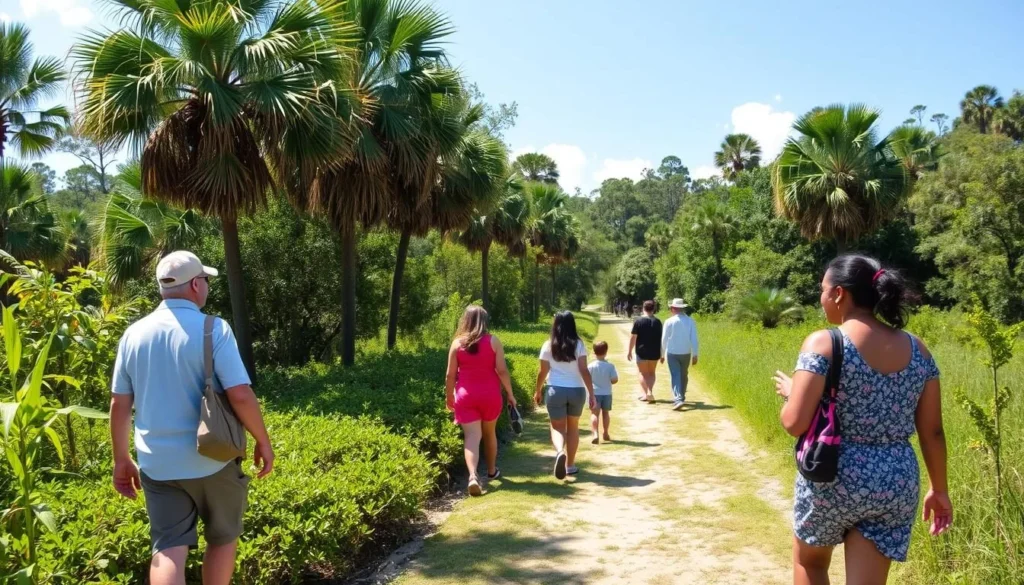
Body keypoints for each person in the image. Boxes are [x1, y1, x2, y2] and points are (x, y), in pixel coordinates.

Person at [772, 255, 952, 585]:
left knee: (810, 564)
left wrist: (794, 392)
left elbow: (794, 423)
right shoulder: (919, 349)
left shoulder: (824, 342)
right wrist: (939, 489)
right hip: (894, 482)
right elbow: (933, 431)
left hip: (832, 476)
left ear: (839, 294)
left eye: (822, 289)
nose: (821, 296)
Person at [110, 251, 274, 585]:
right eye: (206, 281)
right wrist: (263, 441)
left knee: (168, 548)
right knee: (223, 538)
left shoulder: (134, 334)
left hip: (158, 465)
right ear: (196, 284)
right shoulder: (214, 329)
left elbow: (120, 403)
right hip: (214, 459)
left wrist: (121, 459)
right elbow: (240, 394)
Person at [445, 305, 517, 496]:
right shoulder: (493, 341)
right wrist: (510, 394)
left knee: (471, 438)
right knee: (489, 433)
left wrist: (449, 396)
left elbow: (450, 375)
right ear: (484, 321)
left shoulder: (457, 343)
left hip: (465, 396)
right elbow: (502, 371)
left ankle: (473, 476)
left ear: (465, 320)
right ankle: (492, 471)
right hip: (490, 395)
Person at [534, 311, 596, 479]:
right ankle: (570, 465)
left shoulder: (548, 345)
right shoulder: (579, 345)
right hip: (576, 390)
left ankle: (560, 451)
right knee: (573, 427)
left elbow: (542, 372)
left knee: (557, 427)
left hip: (555, 390)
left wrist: (538, 390)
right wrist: (592, 394)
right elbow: (584, 370)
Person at [661, 298, 699, 411]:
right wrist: (695, 354)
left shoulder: (669, 321)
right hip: (686, 352)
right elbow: (694, 339)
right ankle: (681, 397)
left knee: (676, 375)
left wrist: (662, 354)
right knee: (683, 375)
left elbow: (664, 339)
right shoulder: (690, 321)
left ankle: (678, 399)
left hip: (672, 352)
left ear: (673, 308)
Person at [628, 300, 662, 403]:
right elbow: (661, 338)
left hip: (641, 351)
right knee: (651, 373)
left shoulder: (638, 321)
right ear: (653, 309)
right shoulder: (658, 322)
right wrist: (662, 352)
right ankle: (650, 392)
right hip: (655, 351)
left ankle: (644, 393)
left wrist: (629, 351)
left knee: (642, 373)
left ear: (643, 308)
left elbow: (633, 337)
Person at [587, 340, 619, 444]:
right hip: (607, 393)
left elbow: (586, 378)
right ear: (606, 352)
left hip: (594, 393)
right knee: (606, 413)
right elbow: (614, 380)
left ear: (594, 352)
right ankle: (605, 433)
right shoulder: (610, 366)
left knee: (594, 414)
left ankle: (595, 433)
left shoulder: (591, 366)